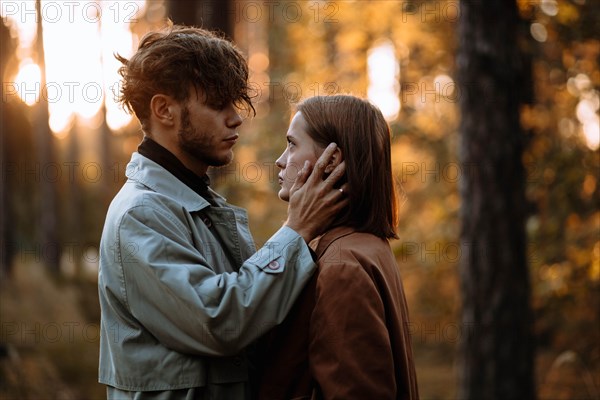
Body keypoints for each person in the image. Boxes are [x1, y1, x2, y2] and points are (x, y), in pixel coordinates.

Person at [98, 25, 347, 399]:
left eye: (235, 102)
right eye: (217, 104)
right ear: (164, 109)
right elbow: (218, 321)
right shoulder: (141, 213)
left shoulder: (198, 204)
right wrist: (295, 230)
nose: (236, 118)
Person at [253, 95, 419, 399]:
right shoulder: (364, 246)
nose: (280, 159)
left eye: (291, 144)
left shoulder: (343, 266)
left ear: (330, 159)